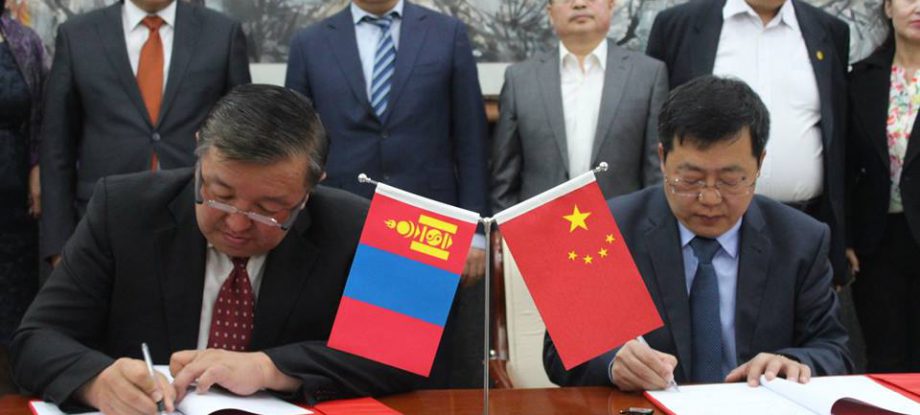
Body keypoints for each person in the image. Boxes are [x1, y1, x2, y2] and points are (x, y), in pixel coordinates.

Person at [11, 84, 421, 414]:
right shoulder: (122, 209)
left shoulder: (362, 228)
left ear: (310, 188)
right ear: (199, 156)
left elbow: (405, 355)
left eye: (268, 209)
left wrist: (270, 367)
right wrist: (97, 382)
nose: (237, 224)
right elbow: (35, 340)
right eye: (220, 196)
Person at [544, 76, 852, 390]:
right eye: (690, 180)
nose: (710, 198)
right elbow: (558, 352)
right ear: (663, 159)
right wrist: (612, 362)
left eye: (730, 181)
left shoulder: (800, 240)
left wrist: (792, 363)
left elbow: (833, 350)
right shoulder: (610, 230)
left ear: (759, 163)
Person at [285, 0, 489, 387]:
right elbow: (294, 140)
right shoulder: (309, 42)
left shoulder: (447, 34)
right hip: (340, 221)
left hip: (429, 223)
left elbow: (471, 137)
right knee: (347, 353)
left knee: (428, 362)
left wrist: (476, 232)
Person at [645, 0, 851, 289]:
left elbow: (839, 134)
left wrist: (843, 238)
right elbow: (658, 125)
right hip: (704, 220)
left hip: (804, 224)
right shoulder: (679, 25)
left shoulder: (828, 30)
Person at [40, 0, 251, 267]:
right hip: (103, 217)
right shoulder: (77, 34)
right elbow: (57, 144)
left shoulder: (222, 32)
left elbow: (243, 136)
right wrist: (58, 243)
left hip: (196, 218)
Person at [491, 0, 667, 211]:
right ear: (550, 12)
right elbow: (504, 174)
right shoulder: (520, 79)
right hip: (541, 224)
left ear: (611, 5)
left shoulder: (647, 75)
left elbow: (656, 170)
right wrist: (505, 223)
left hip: (622, 223)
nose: (580, 4)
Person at [847, 0, 920, 373]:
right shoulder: (862, 78)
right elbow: (844, 161)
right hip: (876, 242)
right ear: (888, 8)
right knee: (884, 357)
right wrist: (844, 237)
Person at [0, 0, 45, 394]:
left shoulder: (24, 41)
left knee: (15, 301)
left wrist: (36, 166)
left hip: (15, 196)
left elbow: (42, 113)